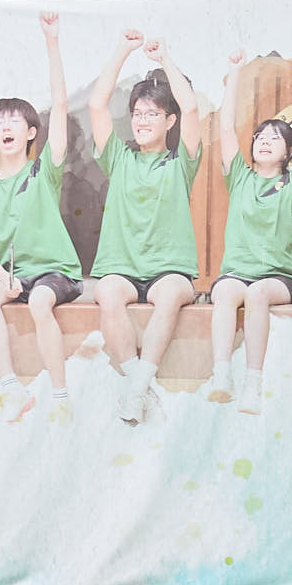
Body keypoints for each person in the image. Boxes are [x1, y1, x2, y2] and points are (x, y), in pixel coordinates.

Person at [0, 12, 82, 426]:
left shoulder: (43, 171)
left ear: (32, 132)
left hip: (55, 274)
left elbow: (60, 104)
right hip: (13, 276)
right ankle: (11, 388)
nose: (6, 127)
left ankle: (61, 395)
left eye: (15, 121)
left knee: (38, 301)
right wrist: (4, 278)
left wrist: (52, 42)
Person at [87, 31, 202, 425]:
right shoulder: (119, 158)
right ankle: (139, 385)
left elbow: (192, 108)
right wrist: (123, 50)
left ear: (169, 121)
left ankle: (136, 387)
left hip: (169, 269)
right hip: (121, 267)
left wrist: (165, 58)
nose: (142, 120)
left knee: (169, 296)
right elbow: (97, 104)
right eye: (137, 114)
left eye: (152, 114)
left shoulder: (181, 162)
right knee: (106, 292)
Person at [208, 53, 292, 416]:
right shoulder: (240, 177)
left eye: (275, 137)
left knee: (256, 293)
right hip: (237, 273)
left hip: (279, 279)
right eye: (260, 137)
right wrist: (234, 72)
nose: (265, 141)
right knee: (225, 292)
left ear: (289, 151)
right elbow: (226, 127)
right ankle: (222, 375)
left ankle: (253, 384)